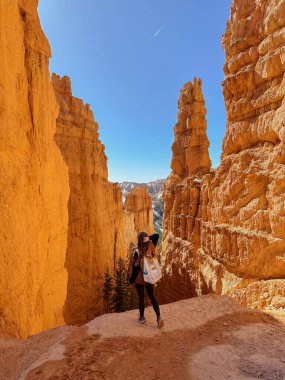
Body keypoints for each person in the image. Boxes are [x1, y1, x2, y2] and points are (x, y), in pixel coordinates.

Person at [128, 231, 164, 328]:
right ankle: (159, 317)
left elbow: (135, 270)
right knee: (152, 297)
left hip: (139, 279)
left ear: (139, 241)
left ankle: (142, 317)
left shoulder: (137, 252)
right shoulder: (150, 248)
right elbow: (156, 235)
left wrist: (131, 280)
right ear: (146, 240)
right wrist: (147, 239)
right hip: (149, 277)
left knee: (141, 298)